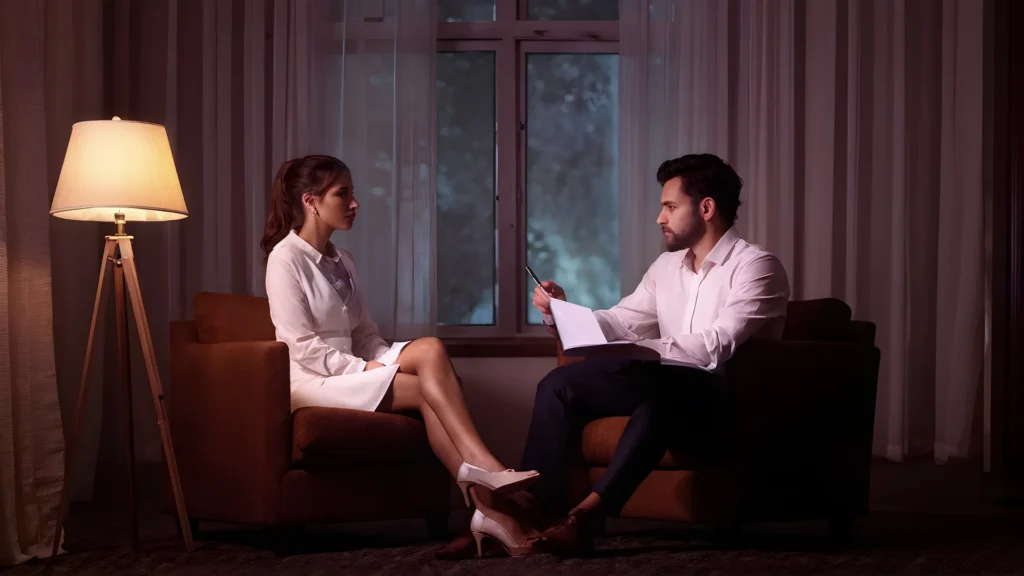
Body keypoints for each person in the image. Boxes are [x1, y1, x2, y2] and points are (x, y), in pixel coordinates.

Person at [261, 155, 539, 558]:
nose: (355, 203)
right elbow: (300, 345)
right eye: (344, 193)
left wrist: (381, 360)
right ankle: (489, 482)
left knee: (429, 358)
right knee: (428, 367)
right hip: (309, 381)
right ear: (311, 201)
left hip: (350, 373)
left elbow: (367, 335)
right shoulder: (285, 259)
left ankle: (489, 511)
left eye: (353, 193)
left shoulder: (345, 261)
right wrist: (367, 368)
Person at [520, 153, 791, 556]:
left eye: (669, 207)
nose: (660, 218)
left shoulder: (756, 267)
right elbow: (619, 321)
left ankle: (589, 516)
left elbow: (718, 344)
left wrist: (643, 349)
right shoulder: (666, 268)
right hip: (663, 382)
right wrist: (562, 311)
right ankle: (530, 513)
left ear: (706, 208)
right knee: (560, 384)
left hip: (724, 398)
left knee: (665, 394)